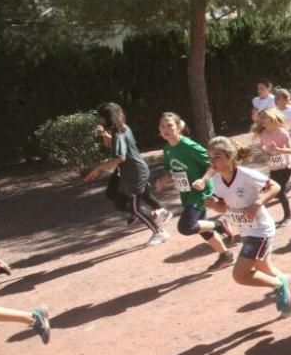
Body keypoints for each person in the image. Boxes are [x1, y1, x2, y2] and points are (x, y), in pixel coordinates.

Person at [204, 136, 291, 317]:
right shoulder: (217, 181)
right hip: (245, 230)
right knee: (264, 268)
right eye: (210, 158)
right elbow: (223, 206)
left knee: (240, 275)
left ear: (230, 156)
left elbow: (275, 187)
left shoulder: (245, 174)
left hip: (260, 230)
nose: (213, 161)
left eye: (217, 156)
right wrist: (213, 204)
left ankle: (279, 284)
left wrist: (257, 203)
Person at [155, 112, 234, 270]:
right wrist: (163, 180)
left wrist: (204, 180)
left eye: (170, 125)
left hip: (200, 191)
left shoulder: (189, 146)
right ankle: (226, 256)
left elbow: (213, 163)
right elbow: (172, 169)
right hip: (186, 192)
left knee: (186, 226)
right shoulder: (167, 149)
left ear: (178, 127)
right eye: (162, 126)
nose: (166, 129)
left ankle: (220, 224)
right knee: (202, 229)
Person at [85, 102, 171, 246]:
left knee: (136, 208)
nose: (100, 121)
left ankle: (159, 232)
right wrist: (107, 137)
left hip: (135, 174)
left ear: (108, 118)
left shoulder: (119, 133)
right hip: (130, 173)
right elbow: (123, 148)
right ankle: (158, 213)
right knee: (119, 199)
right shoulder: (124, 129)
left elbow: (120, 157)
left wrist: (98, 168)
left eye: (101, 118)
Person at [251, 107, 291, 228]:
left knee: (280, 191)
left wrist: (278, 150)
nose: (262, 120)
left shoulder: (282, 132)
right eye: (261, 117)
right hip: (274, 165)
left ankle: (289, 216)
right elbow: (263, 148)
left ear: (272, 117)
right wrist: (267, 157)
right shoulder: (262, 134)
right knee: (270, 190)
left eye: (264, 117)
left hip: (286, 164)